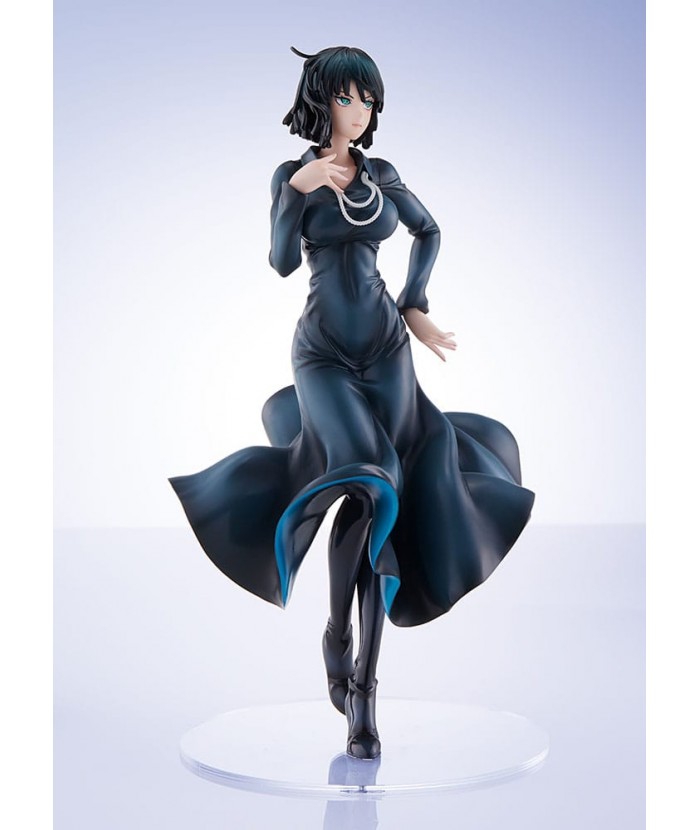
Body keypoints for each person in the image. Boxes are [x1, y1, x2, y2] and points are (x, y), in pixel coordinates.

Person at [169, 45, 535, 760]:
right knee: (367, 476)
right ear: (321, 101)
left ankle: (364, 685)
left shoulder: (382, 175)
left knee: (383, 500)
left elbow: (429, 229)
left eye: (368, 99)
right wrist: (295, 189)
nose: (359, 111)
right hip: (323, 355)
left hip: (387, 352)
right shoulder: (292, 175)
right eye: (346, 97)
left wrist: (415, 304)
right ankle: (338, 632)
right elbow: (281, 262)